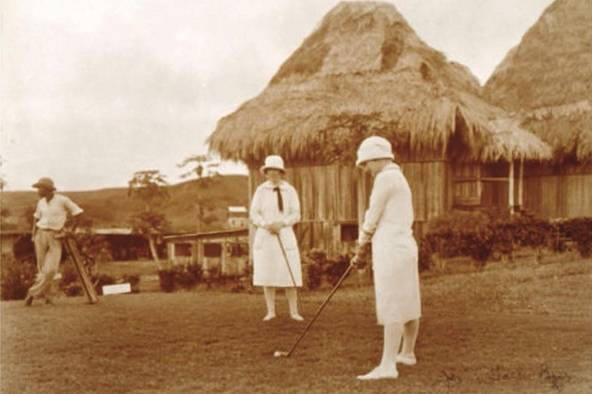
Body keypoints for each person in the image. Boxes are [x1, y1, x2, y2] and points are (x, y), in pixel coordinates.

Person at [352, 137, 421, 380]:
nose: (366, 170)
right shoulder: (399, 177)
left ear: (378, 159)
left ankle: (387, 366)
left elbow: (372, 216)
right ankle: (408, 353)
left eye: (367, 164)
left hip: (391, 248)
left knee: (392, 302)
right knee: (409, 300)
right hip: (405, 246)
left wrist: (360, 244)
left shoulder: (385, 179)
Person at [250, 155, 304, 321]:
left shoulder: (290, 190)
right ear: (266, 173)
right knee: (267, 274)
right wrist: (266, 224)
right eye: (269, 171)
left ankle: (294, 312)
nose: (273, 174)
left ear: (281, 173)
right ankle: (271, 311)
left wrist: (282, 223)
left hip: (285, 233)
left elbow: (296, 214)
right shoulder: (260, 190)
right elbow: (254, 213)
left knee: (289, 274)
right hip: (266, 235)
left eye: (276, 171)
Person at [25, 177, 84, 306]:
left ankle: (32, 292)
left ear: (48, 189)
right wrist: (33, 234)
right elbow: (36, 218)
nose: (38, 190)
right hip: (40, 235)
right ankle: (47, 297)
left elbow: (78, 213)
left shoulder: (63, 200)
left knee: (51, 270)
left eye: (40, 188)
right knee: (42, 269)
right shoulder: (41, 202)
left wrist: (70, 231)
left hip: (55, 236)